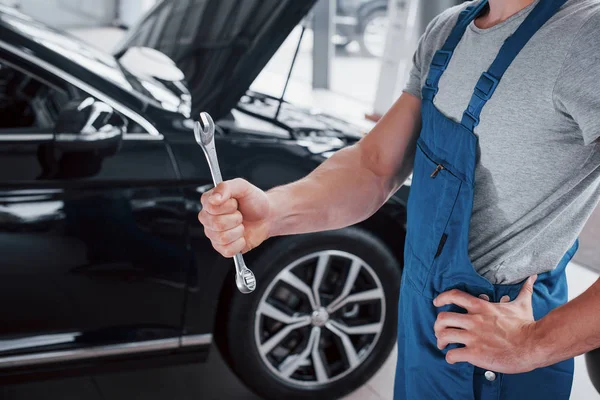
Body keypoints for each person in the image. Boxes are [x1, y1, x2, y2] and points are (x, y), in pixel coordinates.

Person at [198, 0, 600, 398]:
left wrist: (533, 343)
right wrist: (273, 212)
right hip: (424, 328)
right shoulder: (450, 30)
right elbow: (373, 167)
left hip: (499, 347)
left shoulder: (587, 35)